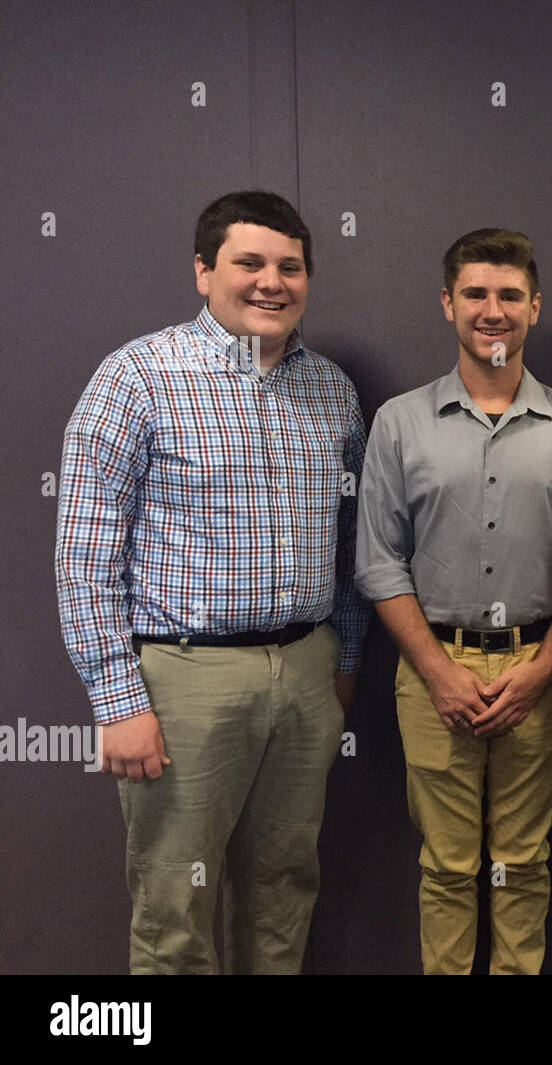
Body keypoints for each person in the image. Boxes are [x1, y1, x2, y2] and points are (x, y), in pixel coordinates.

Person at [56, 190, 367, 974]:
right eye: (249, 263)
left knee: (283, 893)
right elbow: (85, 555)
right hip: (181, 679)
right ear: (203, 271)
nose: (272, 282)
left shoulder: (331, 390)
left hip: (304, 674)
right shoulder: (138, 376)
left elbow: (353, 544)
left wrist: (344, 664)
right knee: (175, 910)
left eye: (290, 267)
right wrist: (118, 701)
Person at [355, 229, 552, 975]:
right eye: (476, 294)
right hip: (434, 671)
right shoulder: (401, 421)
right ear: (448, 303)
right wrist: (436, 670)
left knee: (523, 863)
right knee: (448, 867)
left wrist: (545, 666)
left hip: (539, 669)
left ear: (535, 306)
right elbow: (378, 562)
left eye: (509, 295)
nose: (493, 311)